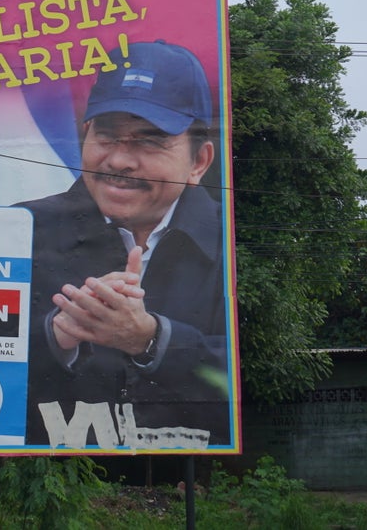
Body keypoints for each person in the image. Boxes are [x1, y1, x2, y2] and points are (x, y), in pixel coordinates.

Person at [20, 40, 230, 446]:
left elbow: (251, 370)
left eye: (148, 141)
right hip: (46, 493)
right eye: (108, 136)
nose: (119, 161)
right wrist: (55, 335)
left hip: (199, 489)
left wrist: (151, 339)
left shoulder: (233, 243)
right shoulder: (23, 229)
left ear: (199, 162)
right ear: (85, 134)